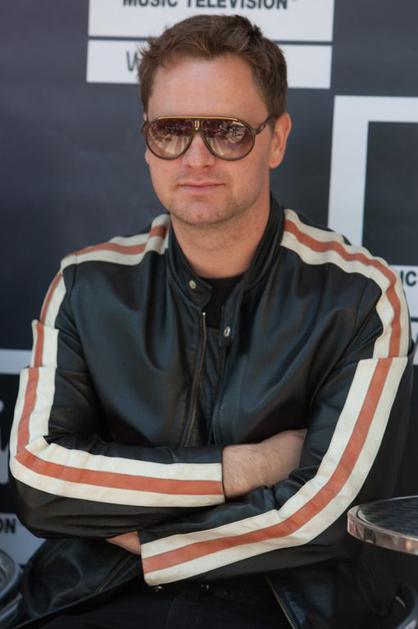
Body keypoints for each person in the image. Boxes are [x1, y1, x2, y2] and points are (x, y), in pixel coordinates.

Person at [9, 14, 414, 629]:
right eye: (171, 130)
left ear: (276, 139)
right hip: (96, 595)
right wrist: (245, 468)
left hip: (284, 606)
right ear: (147, 140)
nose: (196, 157)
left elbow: (324, 515)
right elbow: (40, 480)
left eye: (228, 131)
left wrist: (152, 544)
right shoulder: (86, 285)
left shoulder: (360, 295)